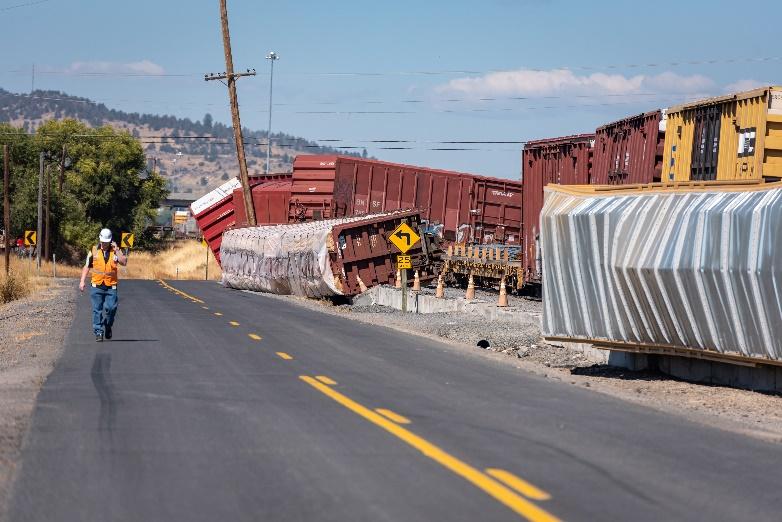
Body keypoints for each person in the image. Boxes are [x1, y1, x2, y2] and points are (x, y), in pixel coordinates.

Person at [79, 229, 127, 342]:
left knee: (111, 308)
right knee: (97, 310)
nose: (104, 244)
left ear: (110, 241)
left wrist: (117, 250)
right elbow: (87, 266)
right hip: (97, 285)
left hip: (111, 286)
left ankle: (108, 325)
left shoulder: (115, 251)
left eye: (106, 242)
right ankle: (98, 332)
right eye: (102, 241)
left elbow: (124, 262)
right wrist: (82, 281)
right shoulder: (93, 250)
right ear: (100, 239)